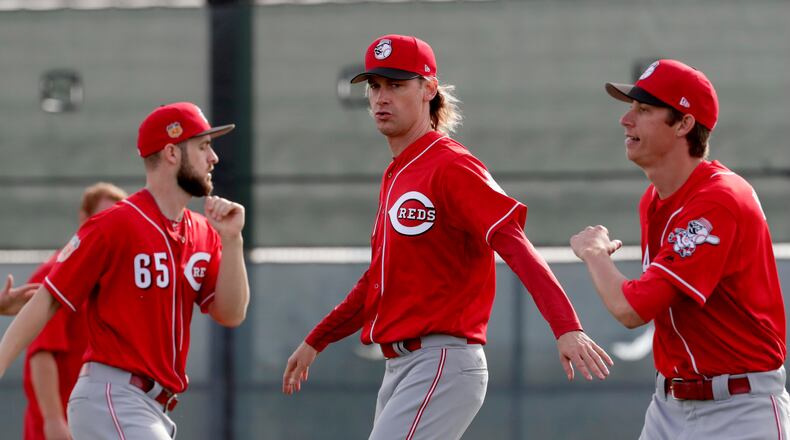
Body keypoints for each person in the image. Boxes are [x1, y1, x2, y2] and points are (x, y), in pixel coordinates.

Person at [283, 34, 613, 440]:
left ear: (429, 89)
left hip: (441, 360)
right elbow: (378, 282)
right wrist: (318, 339)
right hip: (403, 367)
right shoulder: (399, 172)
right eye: (375, 86)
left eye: (397, 84)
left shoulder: (451, 166)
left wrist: (566, 326)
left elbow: (514, 244)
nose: (382, 97)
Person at [0, 102, 250, 439]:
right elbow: (48, 300)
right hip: (112, 397)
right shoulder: (116, 224)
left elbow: (231, 313)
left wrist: (232, 240)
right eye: (203, 146)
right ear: (172, 153)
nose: (213, 157)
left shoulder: (205, 232)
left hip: (153, 408)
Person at [570, 59, 789, 439]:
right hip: (669, 405)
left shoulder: (719, 200)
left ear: (685, 124)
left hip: (739, 410)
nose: (626, 120)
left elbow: (632, 309)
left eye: (644, 109)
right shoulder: (655, 199)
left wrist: (594, 253)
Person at [23, 182, 128, 440]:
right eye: (101, 218)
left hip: (95, 423)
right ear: (84, 219)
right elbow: (41, 353)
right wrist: (54, 420)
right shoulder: (55, 275)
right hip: (62, 427)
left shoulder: (113, 283)